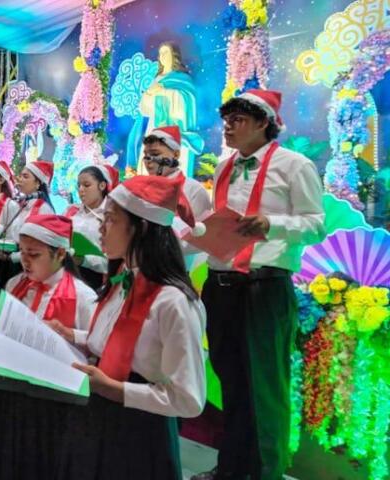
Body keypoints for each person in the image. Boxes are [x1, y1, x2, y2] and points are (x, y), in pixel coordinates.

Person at [192, 90, 325, 480]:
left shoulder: (294, 166)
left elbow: (317, 225)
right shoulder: (223, 167)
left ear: (264, 123)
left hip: (263, 289)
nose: (228, 127)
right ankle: (232, 468)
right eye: (226, 120)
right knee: (231, 384)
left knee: (265, 388)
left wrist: (272, 225)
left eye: (238, 120)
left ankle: (266, 472)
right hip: (221, 286)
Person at [58, 175, 207, 479]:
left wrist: (114, 389)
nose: (101, 227)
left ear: (141, 228)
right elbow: (121, 341)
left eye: (110, 220)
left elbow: (188, 399)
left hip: (139, 436)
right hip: (98, 420)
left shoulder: (173, 302)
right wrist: (72, 336)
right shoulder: (123, 280)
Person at [0, 214, 97, 480]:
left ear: (59, 253)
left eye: (34, 254)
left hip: (54, 402)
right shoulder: (15, 285)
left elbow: (96, 345)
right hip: (11, 391)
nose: (24, 260)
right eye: (22, 252)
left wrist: (68, 333)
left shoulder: (82, 296)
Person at [143, 125, 212, 269]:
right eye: (146, 154)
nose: (148, 160)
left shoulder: (193, 190)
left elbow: (201, 239)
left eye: (155, 153)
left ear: (176, 154)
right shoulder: (140, 189)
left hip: (176, 273)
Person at [133, 41, 204, 175]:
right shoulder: (157, 78)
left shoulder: (182, 78)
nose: (162, 56)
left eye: (166, 52)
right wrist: (148, 94)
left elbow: (187, 100)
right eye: (160, 54)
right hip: (155, 126)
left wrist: (163, 90)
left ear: (174, 55)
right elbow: (145, 109)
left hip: (173, 127)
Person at [64, 164, 119, 290]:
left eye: (87, 185)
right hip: (65, 274)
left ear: (102, 186)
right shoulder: (71, 211)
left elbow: (114, 262)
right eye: (79, 185)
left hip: (95, 282)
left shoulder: (112, 216)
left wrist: (84, 260)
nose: (81, 190)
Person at [8, 160, 55, 242]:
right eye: (21, 176)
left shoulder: (44, 209)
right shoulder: (22, 203)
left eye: (25, 177)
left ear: (38, 183)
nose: (20, 180)